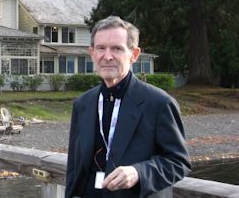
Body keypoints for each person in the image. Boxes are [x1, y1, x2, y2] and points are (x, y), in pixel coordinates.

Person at [65, 16, 191, 198]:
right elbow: (74, 167)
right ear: (92, 53)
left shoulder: (159, 103)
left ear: (134, 54)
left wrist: (139, 172)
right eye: (101, 48)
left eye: (117, 48)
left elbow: (179, 162)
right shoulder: (83, 104)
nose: (107, 56)